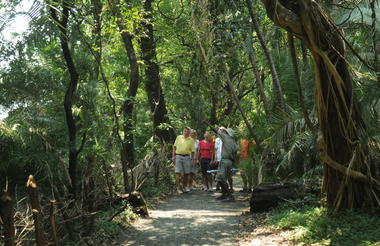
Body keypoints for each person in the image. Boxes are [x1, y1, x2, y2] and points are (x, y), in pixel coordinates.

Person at [210, 126, 237, 201]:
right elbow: (235, 153)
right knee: (222, 178)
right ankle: (225, 194)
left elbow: (216, 131)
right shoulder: (233, 142)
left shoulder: (225, 137)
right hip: (230, 161)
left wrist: (207, 123)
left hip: (224, 160)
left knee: (220, 178)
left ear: (227, 133)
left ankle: (229, 195)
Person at [172, 127, 195, 194]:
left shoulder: (191, 140)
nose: (185, 132)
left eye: (187, 131)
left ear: (189, 133)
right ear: (183, 131)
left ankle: (185, 186)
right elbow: (174, 147)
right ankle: (178, 188)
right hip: (178, 156)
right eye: (184, 131)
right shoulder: (179, 137)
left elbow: (192, 151)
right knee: (177, 172)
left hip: (187, 157)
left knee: (186, 173)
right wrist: (173, 156)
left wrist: (192, 160)